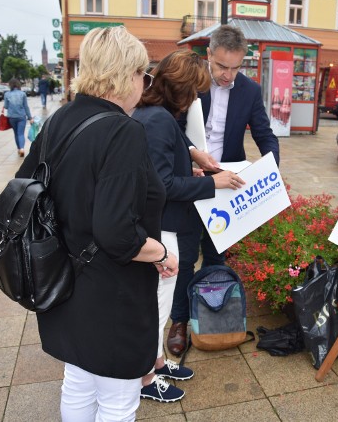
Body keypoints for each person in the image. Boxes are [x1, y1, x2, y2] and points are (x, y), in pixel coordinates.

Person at [15, 26, 179, 421]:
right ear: (127, 74)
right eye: (144, 74)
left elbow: (25, 189)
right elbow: (117, 234)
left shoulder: (59, 119)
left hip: (62, 279)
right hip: (111, 292)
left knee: (79, 379)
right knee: (118, 398)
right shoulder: (123, 131)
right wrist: (160, 252)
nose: (145, 83)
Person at [132, 49, 245, 402]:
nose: (196, 98)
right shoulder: (160, 121)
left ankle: (158, 361)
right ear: (180, 89)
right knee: (158, 306)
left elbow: (162, 171)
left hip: (165, 224)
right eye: (194, 91)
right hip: (163, 228)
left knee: (160, 303)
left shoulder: (156, 115)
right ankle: (146, 380)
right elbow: (163, 187)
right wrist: (215, 182)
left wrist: (191, 164)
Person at [167, 24, 280, 356]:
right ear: (208, 57)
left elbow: (264, 132)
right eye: (221, 67)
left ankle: (210, 313)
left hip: (228, 184)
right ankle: (179, 321)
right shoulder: (189, 83)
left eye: (235, 67)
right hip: (192, 179)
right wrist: (189, 155)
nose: (229, 75)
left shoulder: (248, 89)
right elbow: (171, 126)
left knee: (217, 256)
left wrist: (272, 168)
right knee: (185, 256)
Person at [2, 78, 33, 158]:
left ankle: (19, 149)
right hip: (21, 116)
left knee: (16, 133)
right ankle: (22, 148)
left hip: (12, 117)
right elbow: (26, 107)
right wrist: (30, 117)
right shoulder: (22, 94)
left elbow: (5, 106)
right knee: (21, 133)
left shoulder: (7, 94)